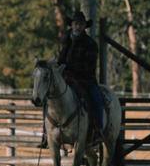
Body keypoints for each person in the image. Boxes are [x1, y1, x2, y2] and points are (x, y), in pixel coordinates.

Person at [38, 10, 104, 148]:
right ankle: (46, 133)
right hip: (66, 77)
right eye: (75, 24)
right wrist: (58, 68)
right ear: (72, 25)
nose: (77, 27)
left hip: (85, 79)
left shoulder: (91, 44)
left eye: (80, 24)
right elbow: (62, 58)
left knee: (96, 98)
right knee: (48, 97)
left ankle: (97, 131)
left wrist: (71, 70)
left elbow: (90, 67)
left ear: (84, 26)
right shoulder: (67, 39)